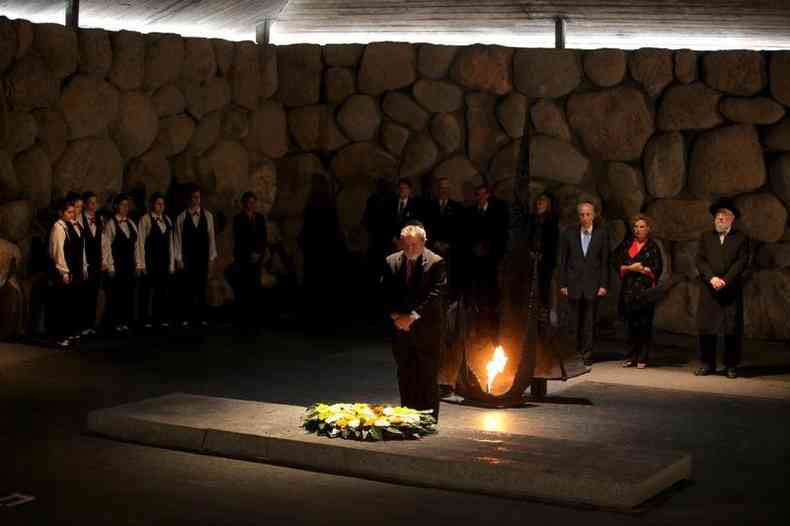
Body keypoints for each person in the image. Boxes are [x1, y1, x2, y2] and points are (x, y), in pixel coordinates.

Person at [381, 224, 447, 421]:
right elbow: (384, 292)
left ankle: (427, 421)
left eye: (414, 245)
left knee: (427, 375)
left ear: (423, 242)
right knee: (405, 374)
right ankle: (407, 418)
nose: (410, 249)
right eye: (406, 245)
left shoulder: (436, 262)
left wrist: (411, 317)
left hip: (426, 329)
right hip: (400, 329)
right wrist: (395, 316)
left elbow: (436, 295)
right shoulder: (391, 261)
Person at [695, 198, 749, 379]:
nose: (718, 220)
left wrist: (725, 280)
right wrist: (712, 278)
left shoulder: (740, 238)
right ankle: (707, 364)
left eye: (723, 217)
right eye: (717, 217)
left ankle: (731, 365)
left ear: (731, 219)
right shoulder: (706, 237)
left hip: (730, 289)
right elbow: (700, 260)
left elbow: (741, 262)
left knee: (731, 328)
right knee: (707, 327)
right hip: (710, 288)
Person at [558, 200, 609, 366]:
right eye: (582, 215)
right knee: (574, 321)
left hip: (593, 284)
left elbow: (604, 262)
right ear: (578, 216)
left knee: (589, 321)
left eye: (588, 214)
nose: (585, 218)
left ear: (593, 215)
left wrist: (603, 285)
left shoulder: (602, 234)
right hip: (573, 284)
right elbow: (563, 261)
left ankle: (587, 353)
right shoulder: (569, 233)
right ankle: (574, 352)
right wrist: (563, 284)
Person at [612, 214, 664, 369]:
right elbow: (616, 261)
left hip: (645, 291)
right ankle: (631, 356)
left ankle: (643, 357)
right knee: (630, 324)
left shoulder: (653, 247)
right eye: (636, 227)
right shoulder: (627, 243)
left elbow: (658, 267)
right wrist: (630, 268)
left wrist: (645, 270)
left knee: (644, 325)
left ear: (648, 229)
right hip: (628, 290)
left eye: (641, 227)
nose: (638, 230)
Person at [465, 184, 509, 332]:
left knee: (492, 294)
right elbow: (467, 233)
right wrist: (474, 248)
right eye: (478, 194)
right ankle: (477, 327)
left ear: (488, 195)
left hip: (491, 260)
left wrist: (488, 249)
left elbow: (500, 234)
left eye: (484, 194)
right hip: (474, 260)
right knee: (476, 293)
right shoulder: (471, 212)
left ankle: (492, 327)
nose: (481, 197)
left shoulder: (497, 212)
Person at [174, 184, 217, 327]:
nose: (196, 200)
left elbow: (211, 238)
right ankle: (186, 317)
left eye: (198, 197)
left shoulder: (208, 216)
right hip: (188, 258)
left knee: (201, 288)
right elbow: (177, 239)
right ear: (188, 199)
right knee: (187, 289)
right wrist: (178, 259)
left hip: (203, 258)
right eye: (193, 197)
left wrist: (211, 259)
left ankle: (201, 317)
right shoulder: (181, 217)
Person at [48, 198, 88, 348]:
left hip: (69, 270)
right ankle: (59, 336)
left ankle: (65, 333)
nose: (72, 215)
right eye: (69, 212)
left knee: (67, 304)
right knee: (61, 305)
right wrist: (64, 272)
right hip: (60, 272)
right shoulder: (58, 227)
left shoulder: (66, 226)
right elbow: (58, 252)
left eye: (73, 212)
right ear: (61, 213)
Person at [102, 193, 140, 334]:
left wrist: (138, 263)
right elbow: (106, 246)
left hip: (129, 264)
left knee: (128, 294)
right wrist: (110, 266)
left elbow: (137, 245)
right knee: (117, 295)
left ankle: (126, 321)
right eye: (123, 205)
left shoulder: (131, 223)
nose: (125, 208)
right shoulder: (111, 224)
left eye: (127, 205)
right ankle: (115, 323)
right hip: (118, 265)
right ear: (116, 206)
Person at [137, 193, 175, 329]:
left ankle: (159, 318)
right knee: (147, 292)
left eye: (163, 204)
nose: (161, 206)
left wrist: (171, 264)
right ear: (152, 204)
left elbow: (171, 243)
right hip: (151, 261)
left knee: (162, 291)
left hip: (164, 261)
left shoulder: (168, 220)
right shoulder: (145, 220)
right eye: (158, 204)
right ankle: (144, 319)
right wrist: (141, 263)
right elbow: (140, 242)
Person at [231, 191, 268, 327]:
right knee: (243, 288)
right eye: (249, 202)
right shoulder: (238, 219)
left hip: (257, 259)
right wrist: (249, 254)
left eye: (254, 202)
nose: (252, 205)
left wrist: (258, 254)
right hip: (243, 258)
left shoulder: (260, 218)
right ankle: (243, 318)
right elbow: (239, 239)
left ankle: (255, 317)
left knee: (255, 287)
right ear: (244, 203)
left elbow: (263, 238)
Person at [81, 191, 103, 336]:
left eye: (96, 202)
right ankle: (82, 325)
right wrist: (84, 264)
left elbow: (103, 241)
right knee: (84, 294)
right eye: (91, 202)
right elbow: (81, 244)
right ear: (85, 204)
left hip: (96, 262)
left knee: (94, 293)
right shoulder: (80, 219)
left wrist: (105, 261)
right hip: (85, 262)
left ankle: (90, 325)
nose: (94, 205)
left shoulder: (99, 219)